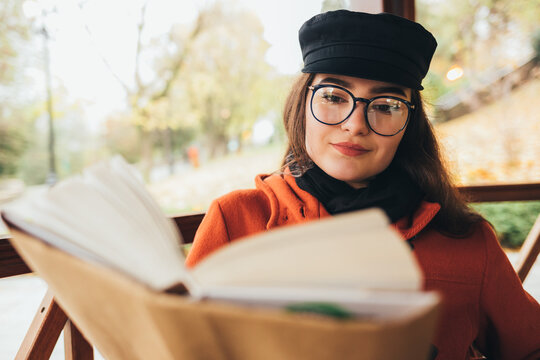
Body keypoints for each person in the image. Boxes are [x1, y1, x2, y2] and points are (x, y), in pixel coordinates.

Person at [185, 10, 540, 360]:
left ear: (409, 124)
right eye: (334, 96)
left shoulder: (469, 242)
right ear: (302, 104)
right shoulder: (234, 220)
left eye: (386, 104)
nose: (355, 124)